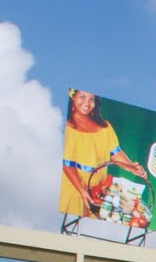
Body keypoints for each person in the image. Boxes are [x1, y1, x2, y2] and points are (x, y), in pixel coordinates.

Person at [59, 90, 147, 218]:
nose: (87, 103)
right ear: (73, 98)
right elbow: (67, 164)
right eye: (82, 97)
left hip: (97, 191)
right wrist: (82, 191)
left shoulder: (105, 126)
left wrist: (130, 167)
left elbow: (115, 152)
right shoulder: (68, 127)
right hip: (74, 191)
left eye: (91, 99)